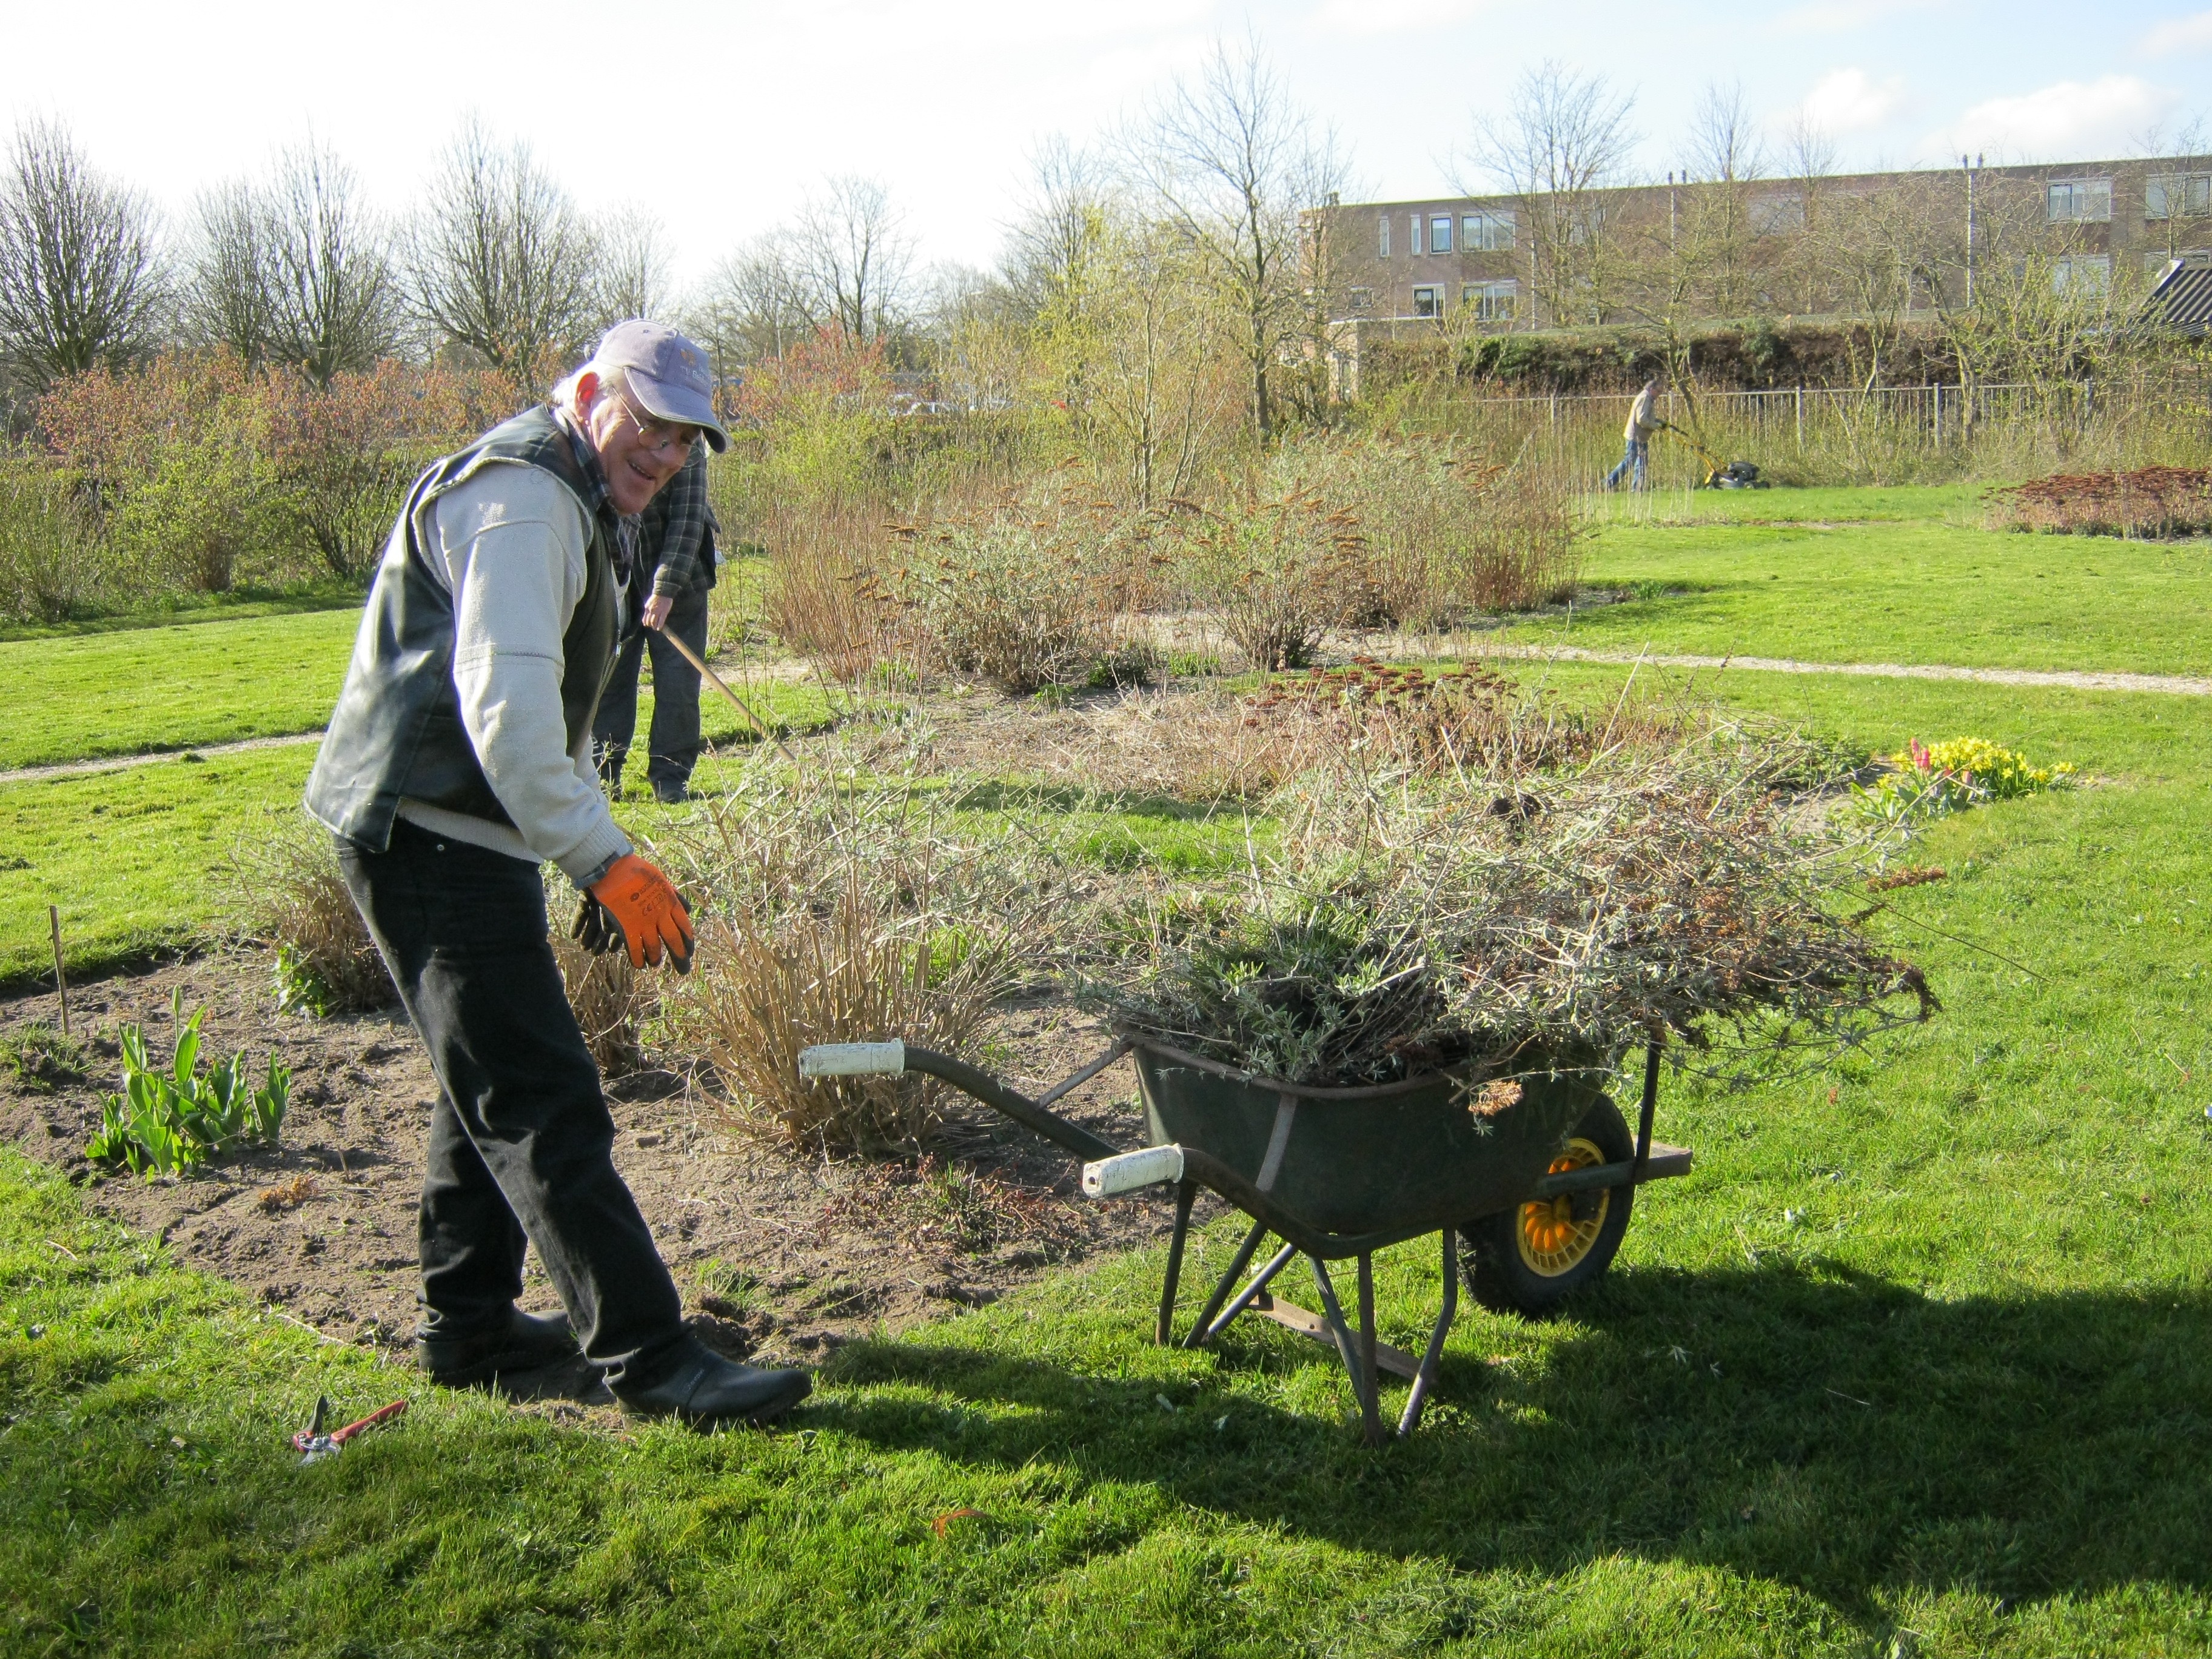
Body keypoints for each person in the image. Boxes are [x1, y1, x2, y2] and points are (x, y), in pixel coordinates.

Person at [304, 320, 811, 1429]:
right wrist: (602, 857)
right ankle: (653, 1358)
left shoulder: (576, 494)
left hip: (454, 825)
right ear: (588, 392)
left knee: (482, 1076)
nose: (664, 453)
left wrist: (593, 852)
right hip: (425, 827)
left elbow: (559, 727)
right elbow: (510, 723)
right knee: (544, 1099)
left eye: (684, 438)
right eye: (648, 422)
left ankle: (469, 1325)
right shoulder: (528, 500)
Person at [592, 438, 717, 804]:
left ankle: (670, 780)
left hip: (683, 583)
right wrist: (615, 587)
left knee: (678, 686)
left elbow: (688, 519)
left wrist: (664, 590)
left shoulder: (687, 445)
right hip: (620, 578)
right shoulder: (609, 441)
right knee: (610, 682)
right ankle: (603, 777)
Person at [1605, 377, 1664, 491]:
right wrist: (1656, 426)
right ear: (1652, 389)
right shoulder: (1644, 398)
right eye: (1659, 391)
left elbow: (1647, 418)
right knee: (1629, 462)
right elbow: (1641, 420)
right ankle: (1608, 483)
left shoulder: (1648, 398)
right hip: (1635, 437)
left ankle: (1637, 489)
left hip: (1641, 437)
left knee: (1641, 463)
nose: (1659, 394)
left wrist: (1659, 422)